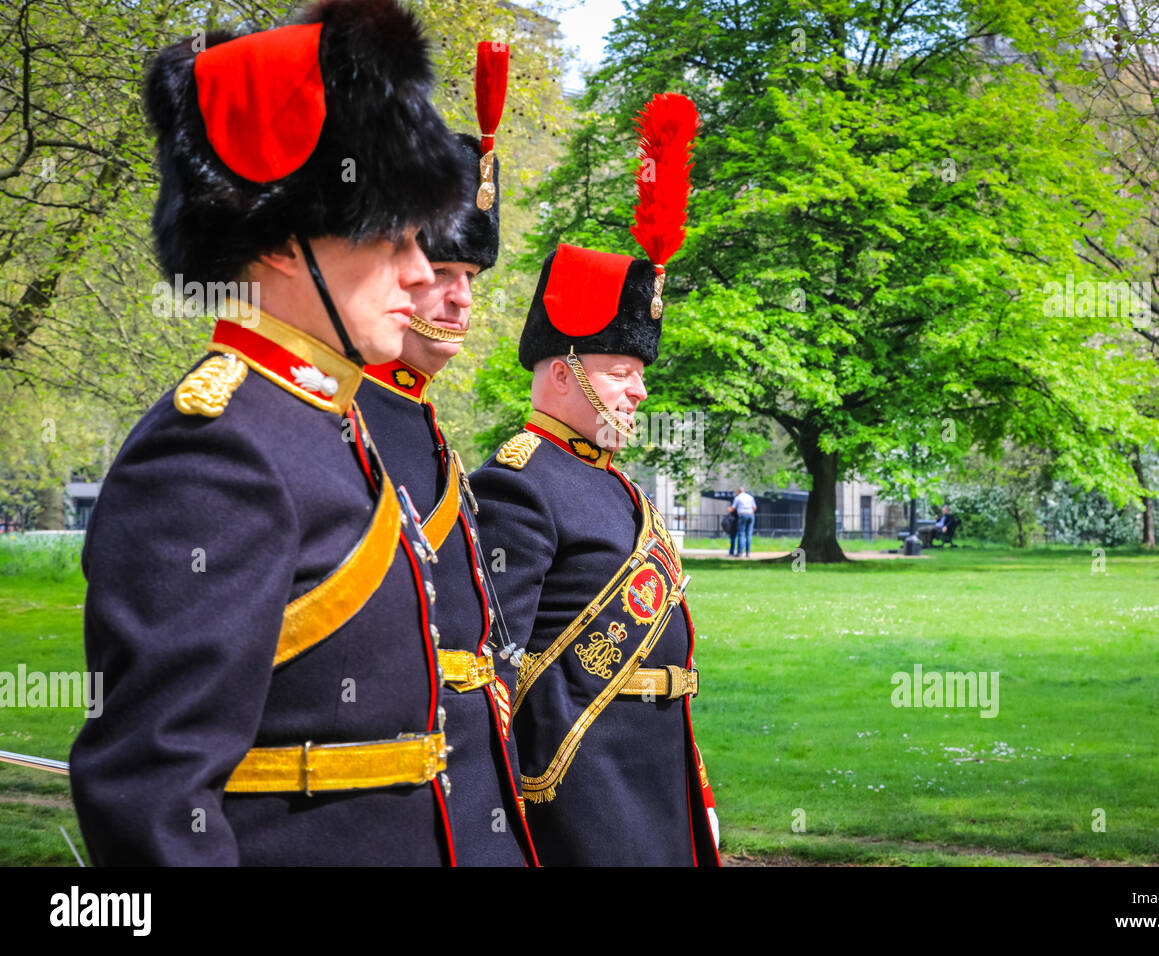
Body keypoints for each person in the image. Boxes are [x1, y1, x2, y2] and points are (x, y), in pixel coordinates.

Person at [70, 0, 473, 865]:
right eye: (391, 237)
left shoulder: (327, 419)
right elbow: (152, 796)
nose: (420, 271)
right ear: (283, 242)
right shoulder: (214, 450)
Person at [470, 93, 720, 866]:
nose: (639, 390)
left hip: (658, 779)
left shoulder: (619, 487)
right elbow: (497, 674)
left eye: (640, 373)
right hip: (583, 798)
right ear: (559, 372)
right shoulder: (518, 482)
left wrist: (696, 793)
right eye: (619, 371)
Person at [356, 42, 535, 866]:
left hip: (469, 779)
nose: (462, 299)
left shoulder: (414, 417)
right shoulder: (344, 410)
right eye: (443, 270)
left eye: (474, 275)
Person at [731, 486, 757, 557]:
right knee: (749, 534)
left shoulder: (738, 498)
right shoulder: (750, 497)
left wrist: (728, 509)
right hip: (751, 515)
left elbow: (733, 508)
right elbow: (754, 507)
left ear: (739, 491)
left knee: (741, 534)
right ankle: (748, 553)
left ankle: (740, 553)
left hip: (742, 515)